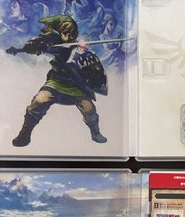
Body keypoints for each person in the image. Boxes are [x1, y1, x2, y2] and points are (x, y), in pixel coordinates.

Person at [6, 15, 108, 147]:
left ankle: (95, 133)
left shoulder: (79, 48)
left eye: (71, 33)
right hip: (56, 83)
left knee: (89, 109)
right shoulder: (53, 43)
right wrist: (23, 49)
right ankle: (25, 133)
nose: (68, 36)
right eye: (65, 33)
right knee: (39, 101)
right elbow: (34, 46)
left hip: (77, 86)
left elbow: (88, 65)